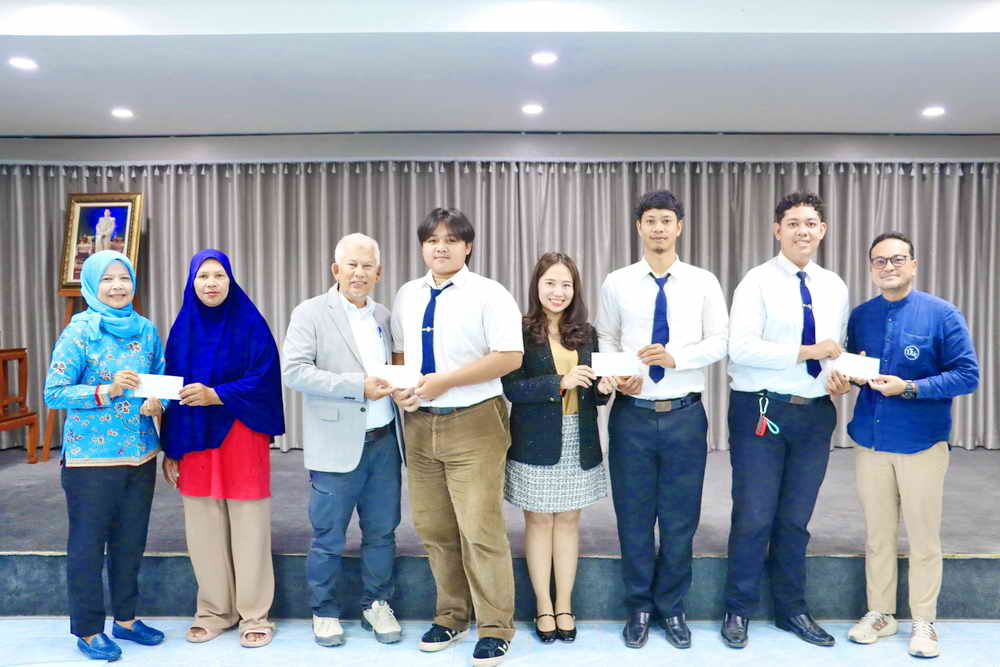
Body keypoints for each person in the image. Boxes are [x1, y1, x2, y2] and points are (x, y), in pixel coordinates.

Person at [830, 232, 979, 659]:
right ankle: (881, 613)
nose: (889, 267)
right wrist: (843, 381)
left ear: (913, 264)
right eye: (879, 261)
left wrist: (910, 387)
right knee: (878, 535)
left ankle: (924, 620)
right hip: (871, 442)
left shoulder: (942, 314)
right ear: (871, 268)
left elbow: (967, 375)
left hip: (921, 443)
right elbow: (856, 368)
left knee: (923, 537)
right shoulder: (862, 316)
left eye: (897, 259)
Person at [595, 190, 729, 650]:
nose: (658, 228)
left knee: (679, 519)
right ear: (639, 227)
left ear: (679, 227)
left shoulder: (703, 282)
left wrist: (676, 358)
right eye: (650, 220)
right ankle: (638, 606)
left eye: (666, 220)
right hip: (631, 415)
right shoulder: (617, 282)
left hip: (684, 415)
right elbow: (606, 336)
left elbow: (719, 341)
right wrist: (618, 373)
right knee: (633, 517)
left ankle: (672, 607)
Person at [390, 207, 523, 666]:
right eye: (432, 240)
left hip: (475, 421)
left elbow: (509, 356)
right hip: (419, 423)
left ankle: (496, 626)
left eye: (450, 240)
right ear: (422, 247)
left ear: (468, 246)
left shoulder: (489, 293)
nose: (440, 248)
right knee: (434, 527)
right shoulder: (407, 294)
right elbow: (403, 354)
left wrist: (446, 381)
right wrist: (405, 389)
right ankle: (451, 616)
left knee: (480, 529)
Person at [722, 191, 848, 649]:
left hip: (814, 414)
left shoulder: (834, 286)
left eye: (810, 223)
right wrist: (808, 351)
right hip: (761, 410)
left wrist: (838, 377)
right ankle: (738, 608)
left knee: (795, 519)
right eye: (793, 223)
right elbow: (741, 348)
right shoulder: (755, 282)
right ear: (777, 230)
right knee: (754, 515)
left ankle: (791, 609)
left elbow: (835, 349)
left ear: (822, 230)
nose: (802, 231)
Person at [282, 233, 405, 647]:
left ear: (378, 273)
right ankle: (324, 610)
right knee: (328, 536)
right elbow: (295, 371)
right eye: (351, 264)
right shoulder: (310, 313)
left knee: (382, 532)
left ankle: (377, 604)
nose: (359, 273)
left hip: (385, 440)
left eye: (367, 266)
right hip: (336, 444)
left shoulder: (385, 316)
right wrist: (357, 386)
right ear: (336, 270)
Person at [44, 250, 167, 661]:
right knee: (87, 546)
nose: (117, 287)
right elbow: (54, 393)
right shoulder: (80, 332)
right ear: (92, 287)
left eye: (124, 278)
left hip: (140, 455)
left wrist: (158, 402)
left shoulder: (145, 329)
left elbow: (160, 379)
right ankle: (88, 630)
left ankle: (126, 620)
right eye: (107, 280)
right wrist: (106, 390)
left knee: (131, 543)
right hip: (91, 461)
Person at [160, 249, 285, 649]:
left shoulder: (250, 323)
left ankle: (255, 614)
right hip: (195, 436)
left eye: (218, 275)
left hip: (241, 432)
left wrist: (217, 395)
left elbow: (265, 378)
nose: (211, 283)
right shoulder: (182, 329)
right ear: (191, 283)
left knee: (249, 523)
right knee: (203, 526)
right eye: (203, 276)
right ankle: (214, 611)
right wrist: (171, 448)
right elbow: (172, 388)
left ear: (230, 280)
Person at [501, 252, 613, 644]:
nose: (558, 292)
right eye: (550, 283)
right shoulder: (519, 330)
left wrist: (603, 388)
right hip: (535, 439)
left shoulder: (586, 333)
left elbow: (594, 394)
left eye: (566, 284)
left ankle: (564, 604)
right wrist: (558, 383)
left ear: (575, 289)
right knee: (538, 521)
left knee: (568, 521)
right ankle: (543, 604)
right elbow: (511, 388)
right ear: (537, 285)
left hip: (578, 436)